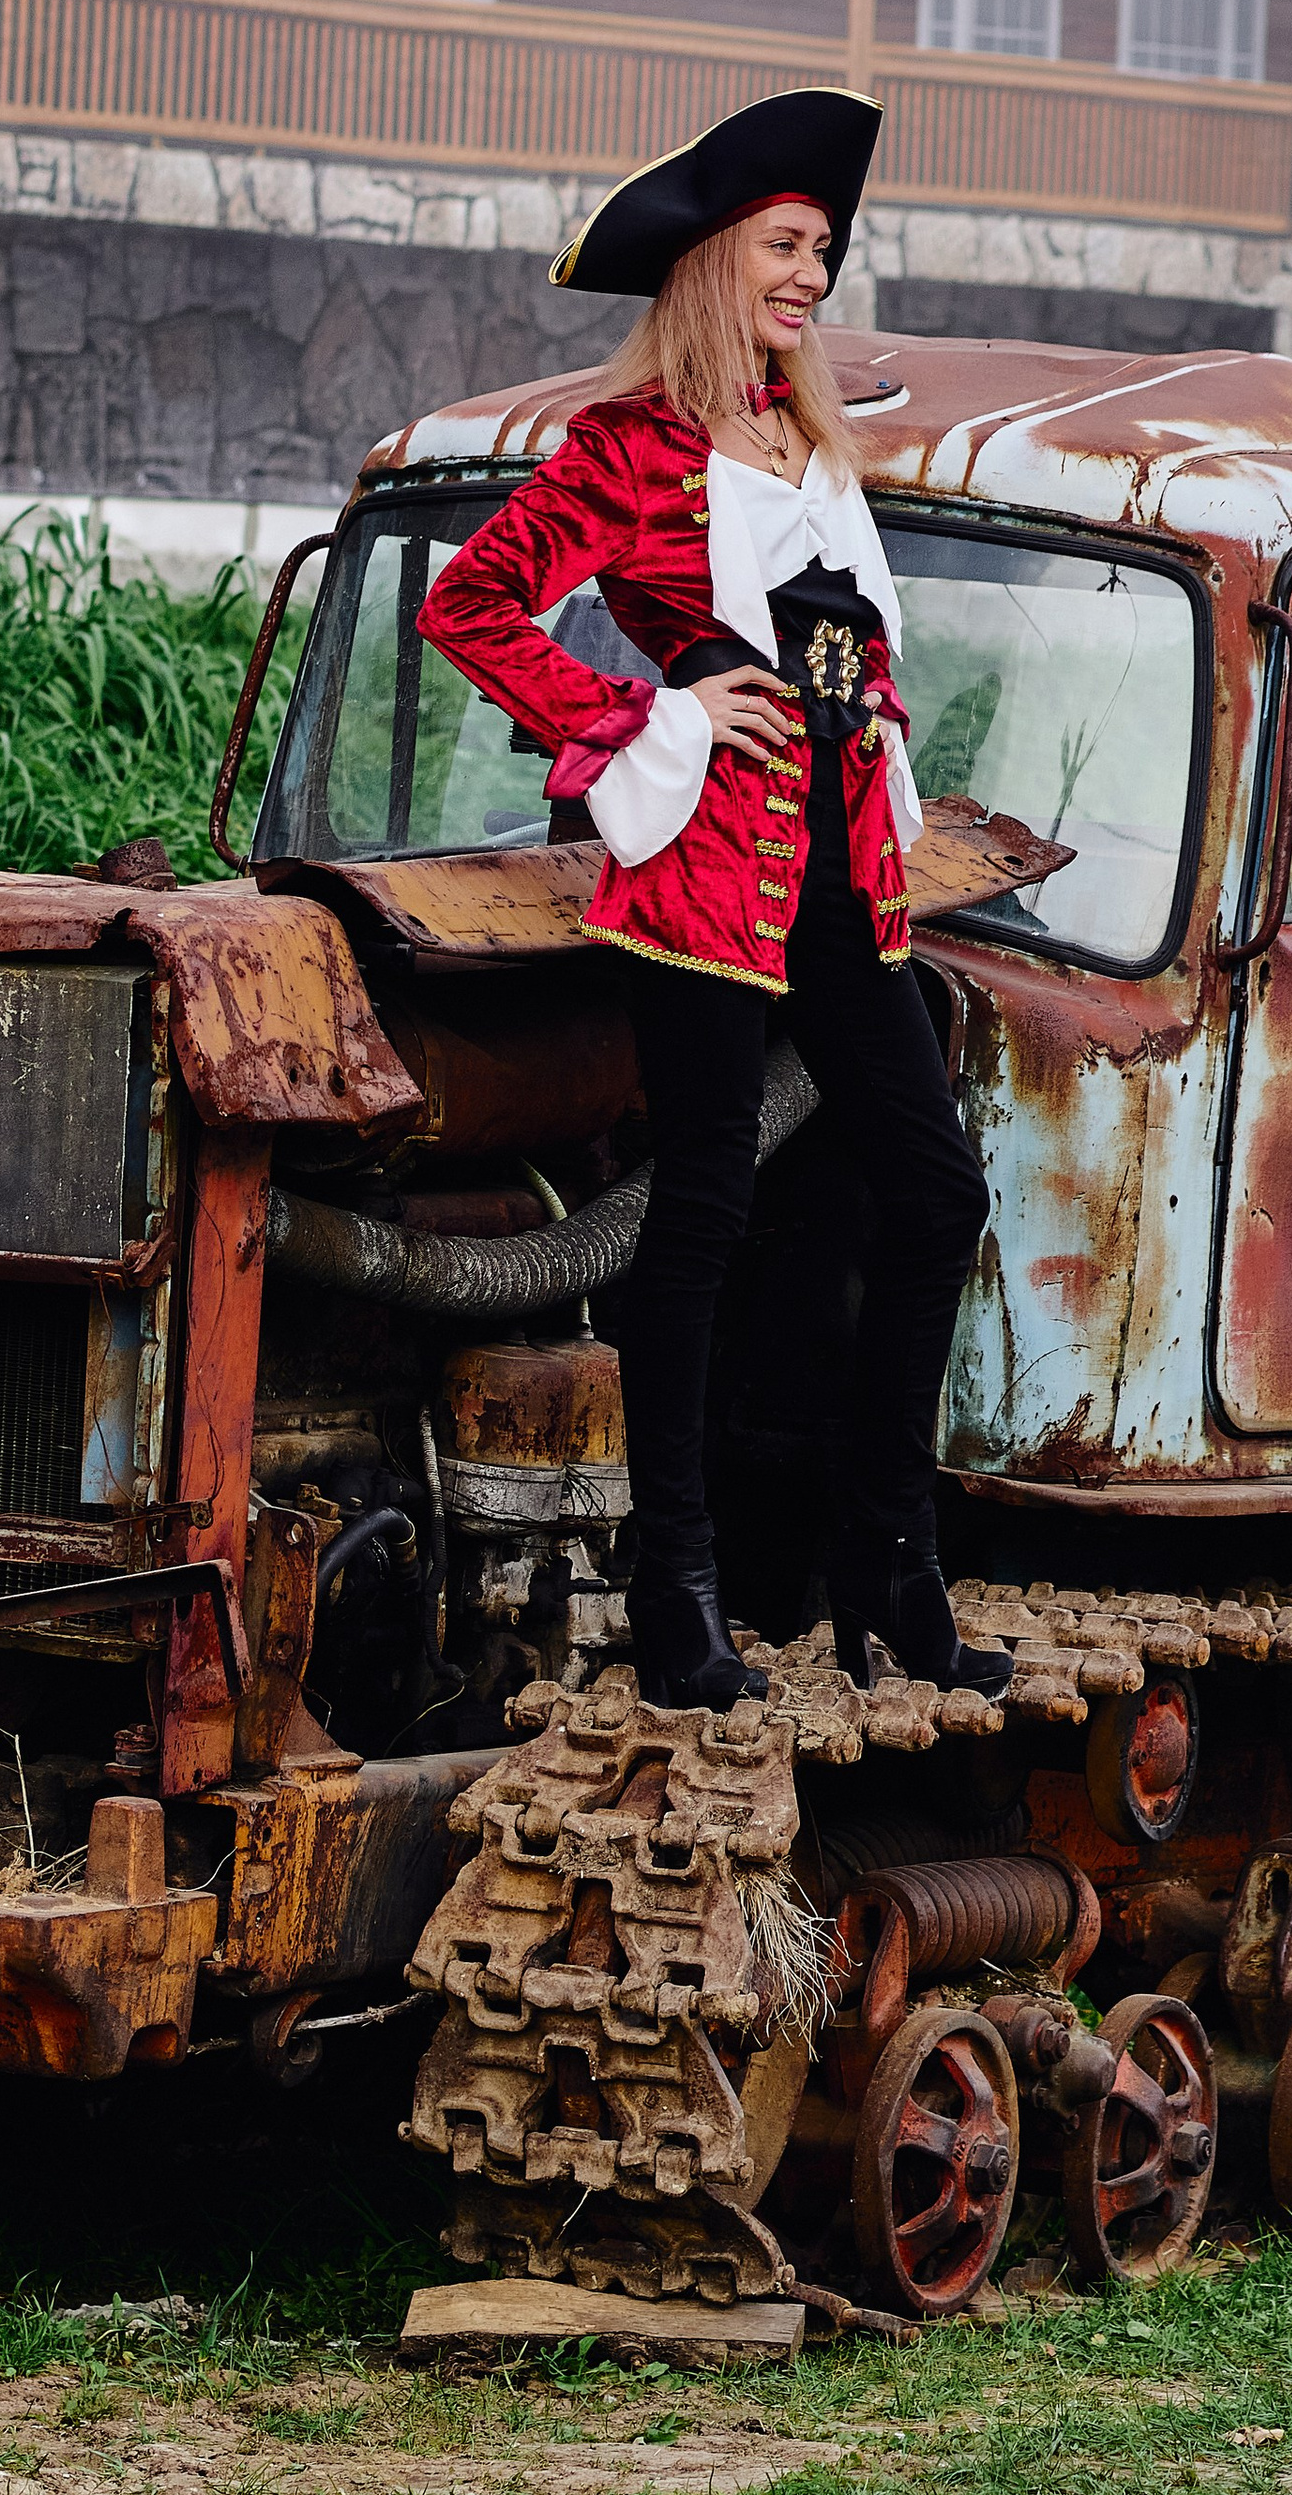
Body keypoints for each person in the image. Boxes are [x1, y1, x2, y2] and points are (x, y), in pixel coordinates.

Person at [415, 87, 1013, 1717]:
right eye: (788, 246)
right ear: (714, 263)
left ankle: (890, 1558)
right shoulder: (629, 450)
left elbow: (858, 647)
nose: (814, 274)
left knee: (935, 1194)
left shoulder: (816, 443)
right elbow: (470, 606)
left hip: (846, 872)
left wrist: (869, 723)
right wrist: (647, 713)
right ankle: (678, 1595)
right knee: (704, 1216)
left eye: (825, 249)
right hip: (700, 875)